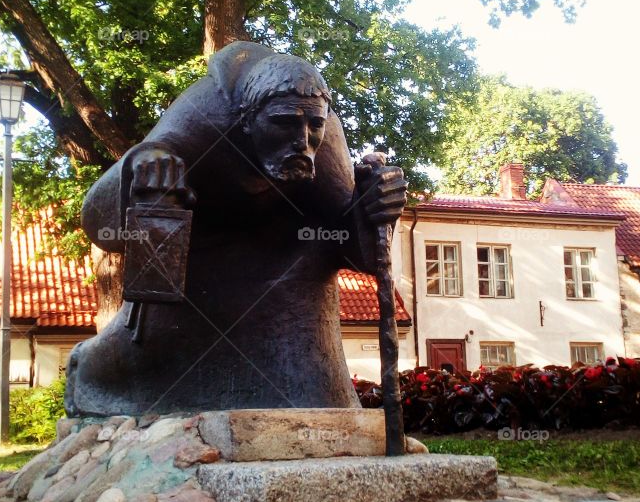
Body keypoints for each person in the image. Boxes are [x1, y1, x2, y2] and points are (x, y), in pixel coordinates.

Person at [65, 41, 406, 416]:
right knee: (145, 381)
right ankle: (101, 371)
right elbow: (100, 223)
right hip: (198, 274)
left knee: (317, 411)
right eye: (284, 123)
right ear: (246, 119)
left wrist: (374, 211)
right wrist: (145, 169)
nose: (302, 141)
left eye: (314, 126)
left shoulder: (322, 139)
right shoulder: (201, 115)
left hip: (288, 290)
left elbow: (351, 248)